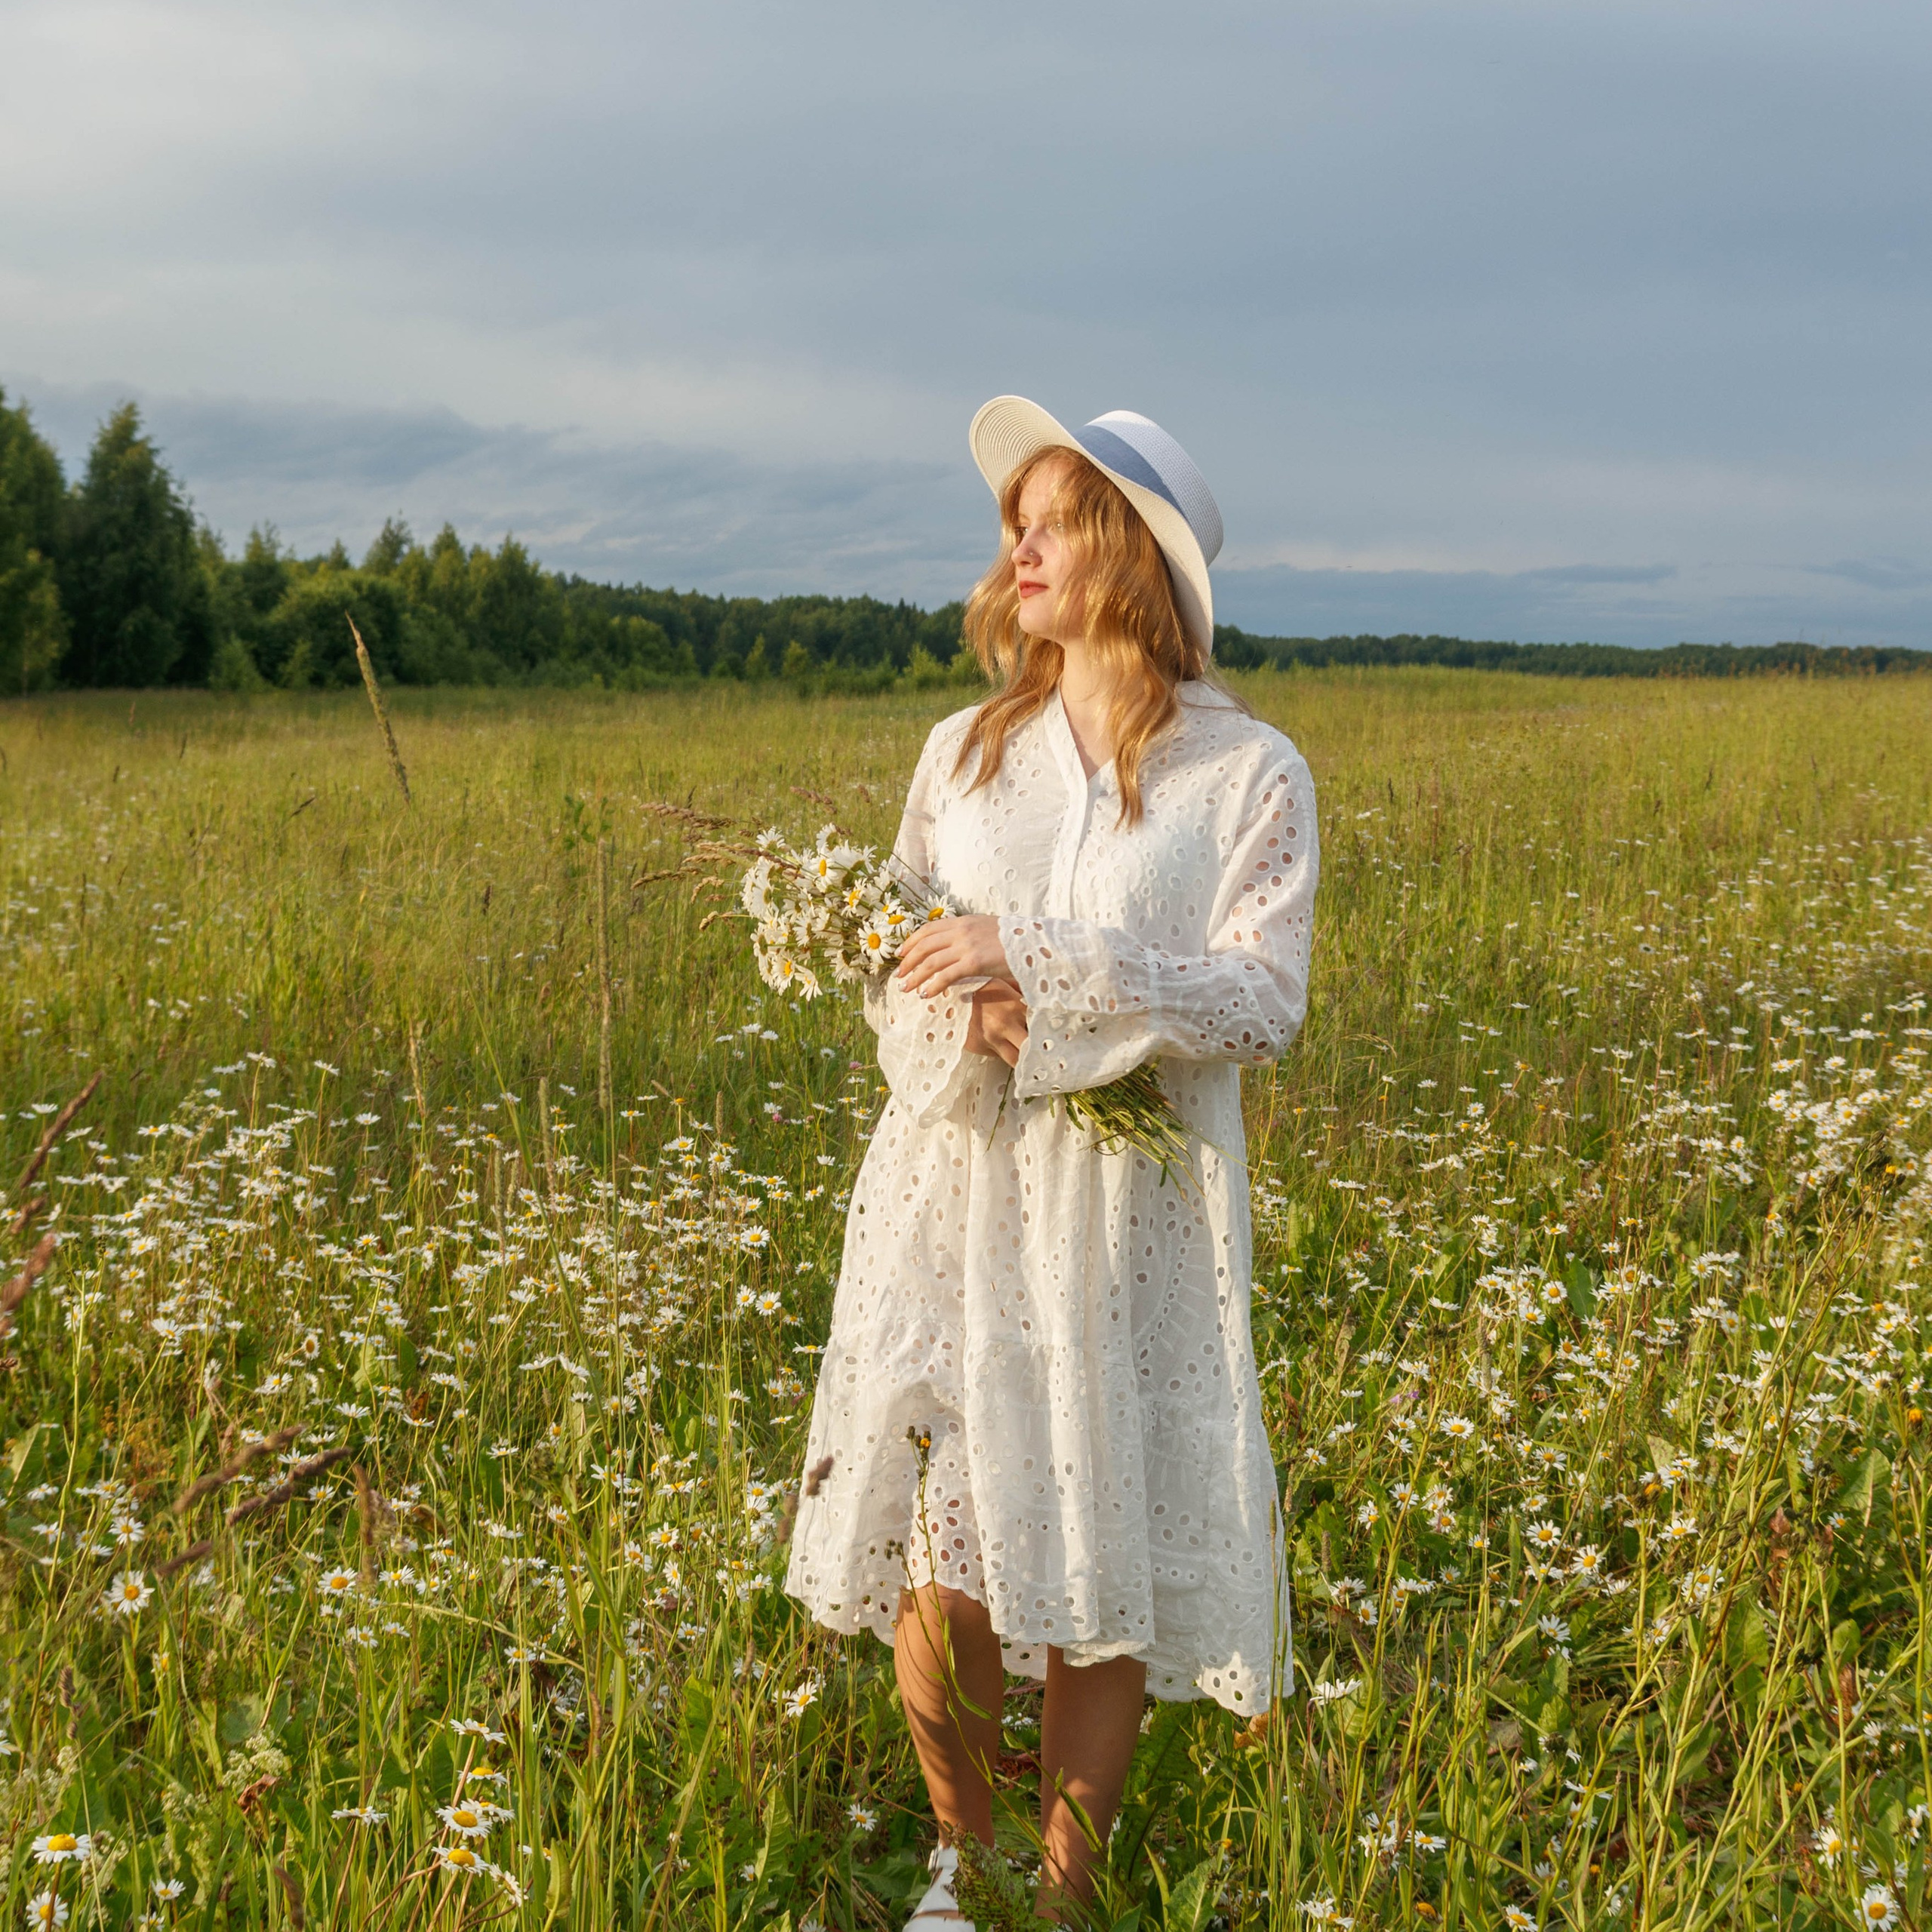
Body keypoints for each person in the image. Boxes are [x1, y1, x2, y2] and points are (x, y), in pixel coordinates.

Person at [784, 397, 1319, 1926]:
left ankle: (1067, 1891)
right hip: (954, 1192)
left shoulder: (1247, 773)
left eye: (1053, 515)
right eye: (1009, 517)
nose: (1015, 543)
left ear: (1133, 554)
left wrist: (1046, 961)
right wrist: (954, 1011)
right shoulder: (962, 750)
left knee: (1101, 1543)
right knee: (942, 1550)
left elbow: (1256, 1000)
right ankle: (962, 1863)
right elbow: (889, 951)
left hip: (1126, 1210)